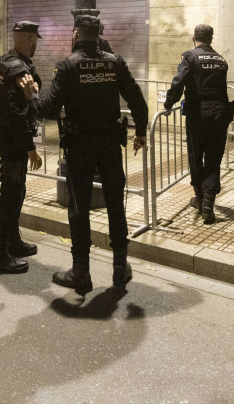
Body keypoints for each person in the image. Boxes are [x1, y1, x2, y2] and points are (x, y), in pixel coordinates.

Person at [29, 15, 149, 295]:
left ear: (76, 34)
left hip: (80, 144)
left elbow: (48, 108)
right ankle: (120, 267)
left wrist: (32, 95)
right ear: (98, 35)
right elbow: (137, 99)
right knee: (115, 202)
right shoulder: (114, 62)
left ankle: (81, 271)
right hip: (109, 143)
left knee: (79, 207)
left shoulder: (68, 65)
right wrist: (140, 131)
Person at [0, 21, 44, 274]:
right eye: (35, 40)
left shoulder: (3, 61)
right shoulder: (20, 70)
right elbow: (18, 113)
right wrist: (30, 145)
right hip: (14, 138)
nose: (35, 45)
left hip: (5, 133)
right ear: (29, 39)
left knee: (14, 192)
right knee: (11, 195)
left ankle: (13, 241)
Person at [163, 24, 234, 225]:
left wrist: (169, 103)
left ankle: (200, 198)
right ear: (211, 38)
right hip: (220, 113)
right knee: (214, 158)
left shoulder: (190, 56)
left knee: (196, 156)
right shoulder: (221, 58)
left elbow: (179, 82)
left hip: (198, 114)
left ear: (193, 37)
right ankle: (209, 205)